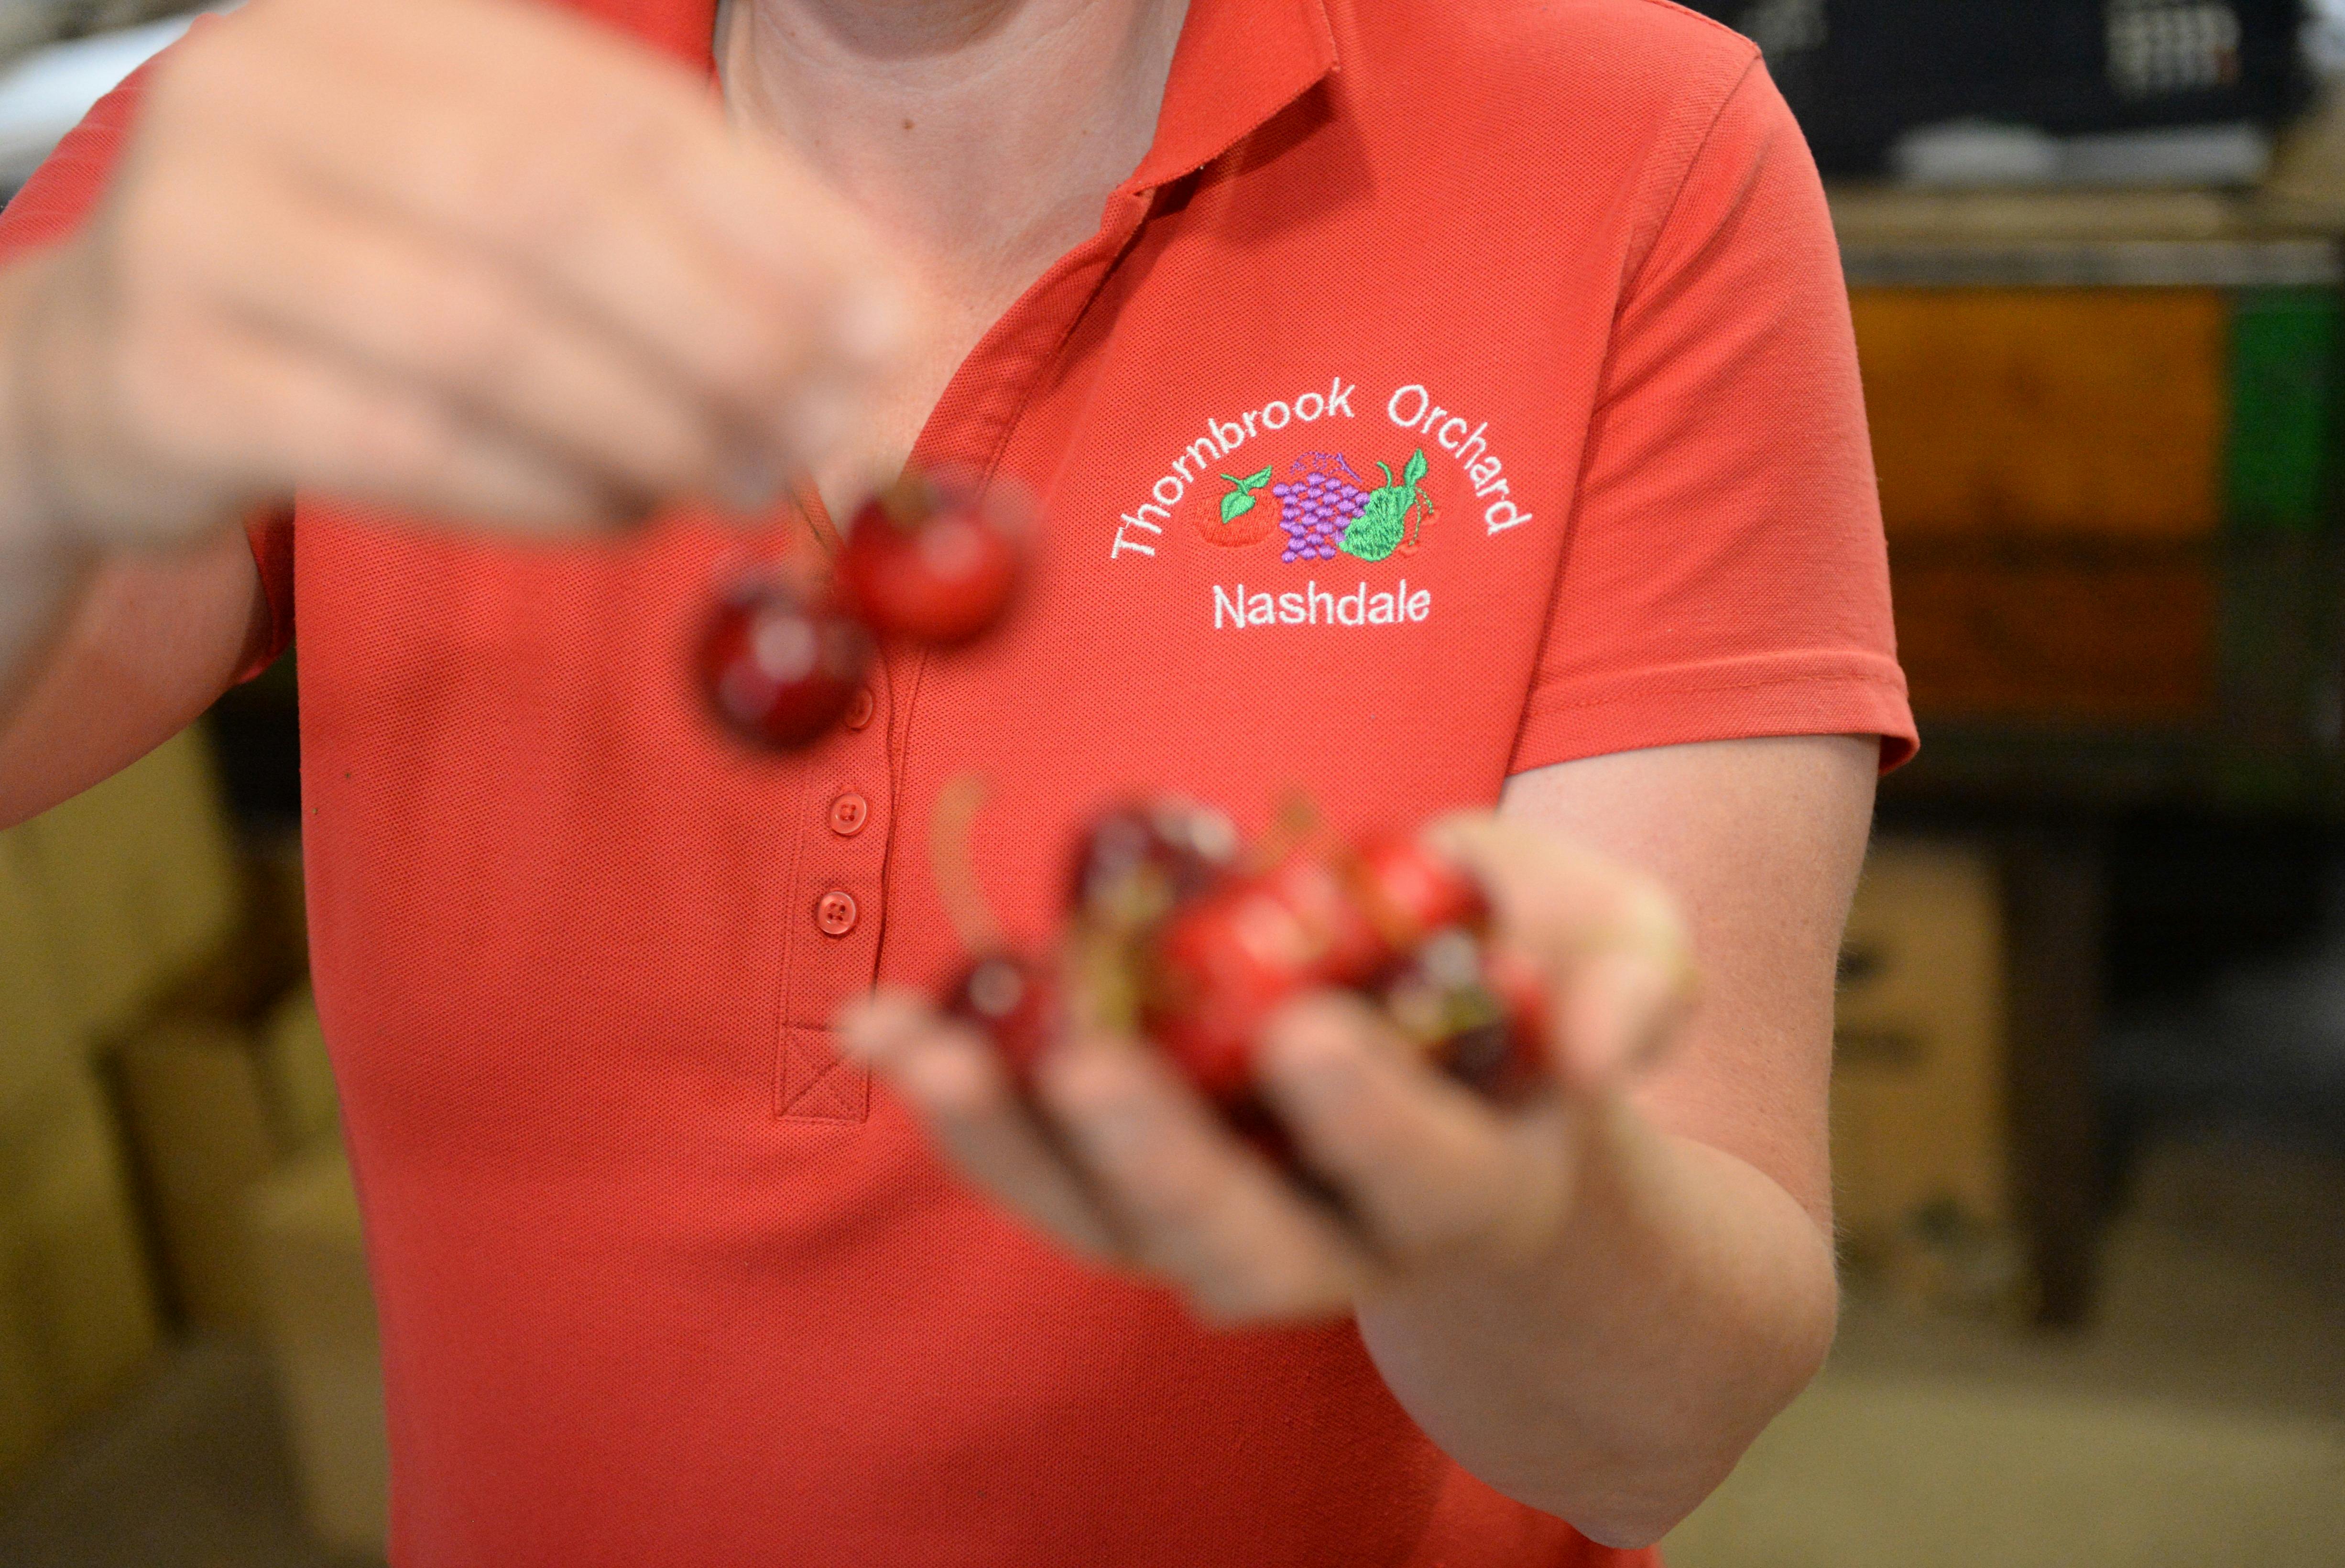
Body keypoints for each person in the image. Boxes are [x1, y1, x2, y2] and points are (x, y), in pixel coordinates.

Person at [0, 0, 1915, 1562]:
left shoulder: (1630, 156)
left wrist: (1493, 1202)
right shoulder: (347, 134)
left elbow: (1656, 1426)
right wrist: (58, 415)